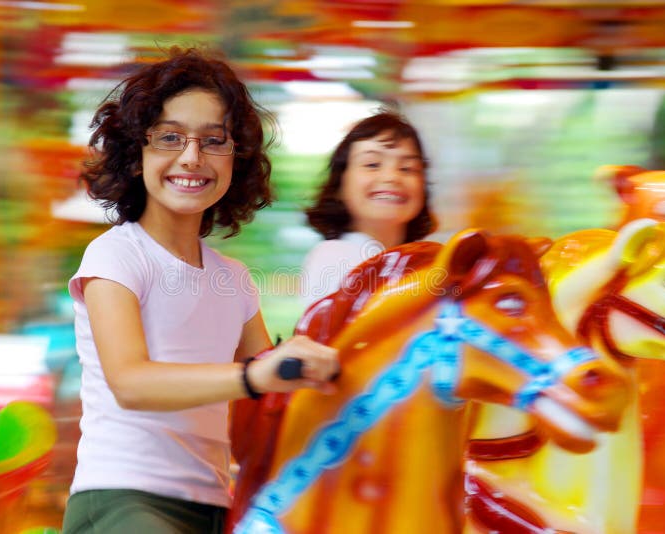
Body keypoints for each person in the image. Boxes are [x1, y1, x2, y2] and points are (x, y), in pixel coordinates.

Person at [61, 46, 338, 534]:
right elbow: (131, 382)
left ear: (237, 160)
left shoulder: (233, 279)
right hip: (122, 500)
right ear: (135, 153)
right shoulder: (116, 255)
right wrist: (253, 376)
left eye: (214, 141)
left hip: (215, 504)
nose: (192, 157)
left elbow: (270, 406)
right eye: (170, 137)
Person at [300, 110, 437, 306]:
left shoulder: (425, 262)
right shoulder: (334, 256)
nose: (391, 177)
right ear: (340, 185)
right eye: (372, 164)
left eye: (407, 168)